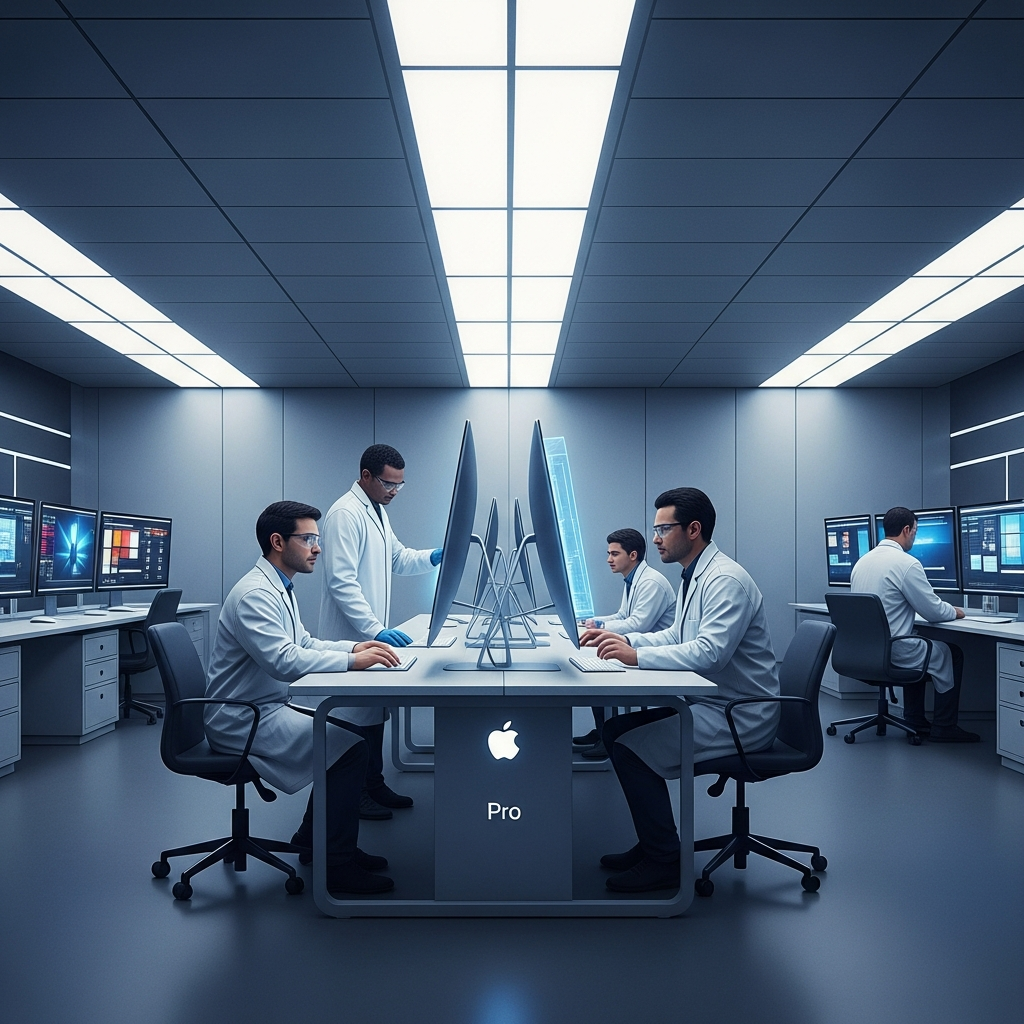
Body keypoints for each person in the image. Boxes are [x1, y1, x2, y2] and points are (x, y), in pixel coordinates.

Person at [579, 487, 780, 894]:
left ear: (693, 529)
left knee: (630, 750)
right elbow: (677, 634)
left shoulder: (725, 580)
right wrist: (627, 648)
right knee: (615, 734)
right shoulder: (694, 574)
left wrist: (636, 656)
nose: (654, 539)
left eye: (663, 529)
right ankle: (656, 843)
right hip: (713, 701)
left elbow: (711, 653)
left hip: (739, 713)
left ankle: (664, 861)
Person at [205, 501, 401, 895]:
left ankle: (314, 842)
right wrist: (352, 661)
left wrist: (356, 645)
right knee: (349, 750)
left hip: (262, 705)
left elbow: (303, 642)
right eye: (308, 538)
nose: (317, 548)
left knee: (344, 740)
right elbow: (283, 661)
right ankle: (337, 864)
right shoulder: (255, 595)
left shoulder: (278, 585)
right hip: (243, 718)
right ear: (277, 542)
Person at [319, 444, 443, 820]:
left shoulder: (376, 511)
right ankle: (356, 795)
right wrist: (376, 630)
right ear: (367, 476)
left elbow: (397, 558)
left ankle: (373, 785)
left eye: (400, 486)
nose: (393, 492)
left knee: (372, 715)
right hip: (351, 636)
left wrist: (435, 556)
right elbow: (342, 582)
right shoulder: (344, 514)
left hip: (368, 634)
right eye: (389, 484)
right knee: (353, 721)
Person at [851, 506, 978, 742]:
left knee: (917, 640)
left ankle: (915, 720)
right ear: (906, 530)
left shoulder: (861, 562)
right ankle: (944, 726)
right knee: (951, 653)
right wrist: (957, 612)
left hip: (863, 652)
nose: (915, 537)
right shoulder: (906, 563)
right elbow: (934, 611)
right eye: (915, 532)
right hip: (895, 651)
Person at [574, 528, 676, 760]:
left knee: (597, 671)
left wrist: (599, 629)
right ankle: (603, 731)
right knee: (593, 666)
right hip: (637, 647)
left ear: (632, 555)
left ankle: (607, 735)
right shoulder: (631, 579)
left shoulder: (651, 583)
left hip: (652, 654)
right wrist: (592, 622)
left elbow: (638, 623)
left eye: (614, 554)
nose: (609, 559)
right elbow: (622, 615)